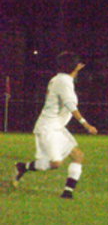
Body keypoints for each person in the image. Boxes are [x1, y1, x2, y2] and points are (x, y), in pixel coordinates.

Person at [13, 51, 98, 198]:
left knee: (78, 156)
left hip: (57, 127)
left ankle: (67, 193)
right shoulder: (64, 82)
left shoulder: (59, 79)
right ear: (75, 66)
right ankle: (23, 167)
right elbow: (71, 105)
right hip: (48, 128)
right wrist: (86, 125)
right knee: (55, 163)